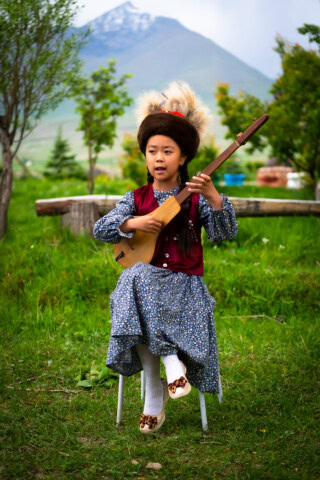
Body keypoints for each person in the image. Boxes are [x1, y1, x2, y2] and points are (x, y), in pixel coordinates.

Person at [93, 82, 238, 434]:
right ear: (145, 156)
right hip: (144, 290)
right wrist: (134, 222)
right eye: (152, 151)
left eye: (168, 151)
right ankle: (166, 372)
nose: (159, 158)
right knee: (136, 278)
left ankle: (158, 388)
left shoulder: (195, 197)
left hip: (185, 290)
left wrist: (215, 199)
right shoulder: (136, 198)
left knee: (133, 281)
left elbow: (225, 234)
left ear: (183, 157)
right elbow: (100, 229)